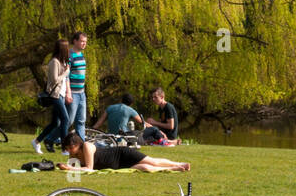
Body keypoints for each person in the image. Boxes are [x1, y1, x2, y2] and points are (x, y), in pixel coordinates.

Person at [57, 133, 190, 173]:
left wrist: (69, 168)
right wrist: (68, 167)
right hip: (118, 165)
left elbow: (89, 169)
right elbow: (74, 167)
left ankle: (180, 163)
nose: (69, 150)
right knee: (144, 168)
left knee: (151, 161)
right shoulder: (73, 154)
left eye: (70, 147)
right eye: (67, 148)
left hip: (120, 154)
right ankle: (173, 168)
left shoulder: (86, 146)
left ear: (77, 144)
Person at [31, 38, 72, 154]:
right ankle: (65, 148)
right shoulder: (54, 62)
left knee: (56, 123)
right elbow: (54, 80)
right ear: (63, 49)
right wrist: (65, 73)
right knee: (65, 119)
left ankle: (36, 141)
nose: (68, 50)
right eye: (67, 48)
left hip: (62, 95)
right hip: (55, 95)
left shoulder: (63, 62)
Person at [68, 31, 89, 141]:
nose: (84, 44)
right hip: (73, 93)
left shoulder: (81, 55)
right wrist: (68, 92)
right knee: (69, 120)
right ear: (75, 41)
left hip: (81, 93)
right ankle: (50, 138)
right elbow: (66, 76)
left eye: (85, 42)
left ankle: (81, 144)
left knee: (81, 120)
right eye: (81, 41)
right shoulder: (69, 55)